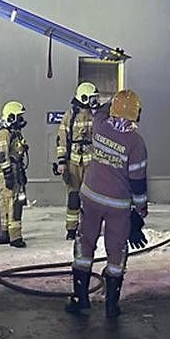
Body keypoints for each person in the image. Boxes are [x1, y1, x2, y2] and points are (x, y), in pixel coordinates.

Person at [66, 89, 148, 319]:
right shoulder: (136, 143)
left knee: (85, 243)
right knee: (116, 251)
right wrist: (140, 211)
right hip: (118, 205)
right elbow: (138, 181)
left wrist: (110, 101)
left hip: (91, 197)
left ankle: (80, 299)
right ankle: (112, 305)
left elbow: (101, 110)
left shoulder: (100, 126)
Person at [55, 82, 101, 240]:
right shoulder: (70, 116)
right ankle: (71, 229)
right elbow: (61, 140)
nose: (95, 101)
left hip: (92, 164)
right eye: (92, 98)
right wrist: (62, 162)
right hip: (74, 164)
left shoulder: (97, 115)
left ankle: (89, 228)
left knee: (91, 198)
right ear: (83, 97)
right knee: (74, 197)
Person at [0, 101, 29, 248]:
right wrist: (8, 174)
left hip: (15, 170)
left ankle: (4, 233)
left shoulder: (13, 133)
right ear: (11, 117)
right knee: (14, 203)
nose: (21, 120)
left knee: (6, 203)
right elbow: (3, 155)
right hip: (8, 172)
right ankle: (15, 237)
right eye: (18, 117)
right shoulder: (4, 133)